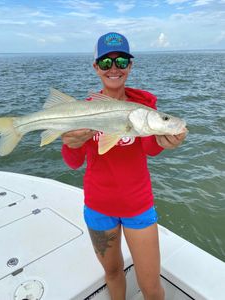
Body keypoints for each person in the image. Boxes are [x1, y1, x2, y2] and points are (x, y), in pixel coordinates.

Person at [61, 32, 186, 300]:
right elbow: (73, 163)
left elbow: (150, 149)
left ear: (130, 65)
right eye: (106, 63)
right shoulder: (84, 110)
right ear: (96, 67)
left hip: (138, 207)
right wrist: (70, 143)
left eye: (121, 61)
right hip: (98, 208)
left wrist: (164, 142)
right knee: (113, 273)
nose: (114, 68)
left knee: (151, 287)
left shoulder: (143, 109)